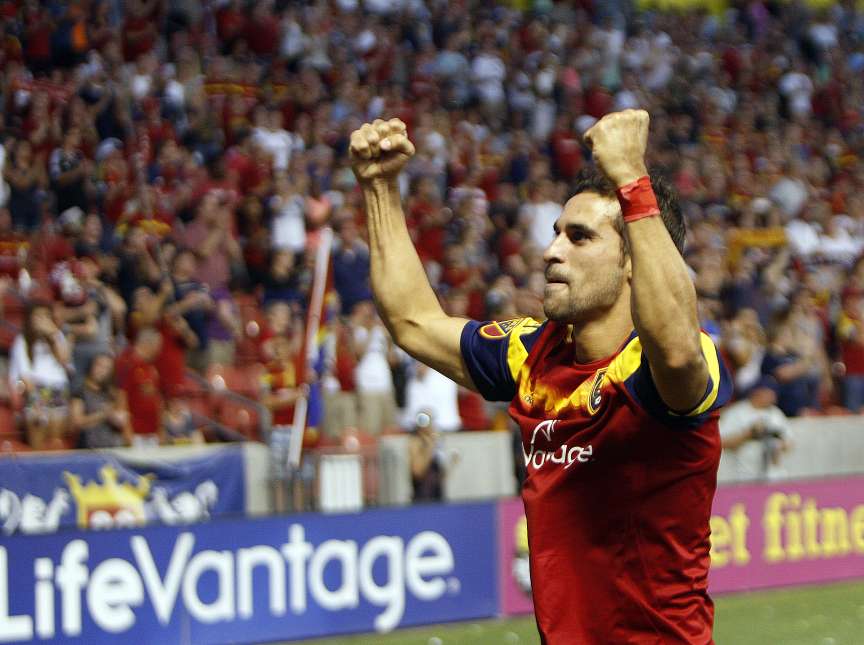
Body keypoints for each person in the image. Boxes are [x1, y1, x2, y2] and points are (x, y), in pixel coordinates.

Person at [349, 111, 732, 643]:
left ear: (632, 263)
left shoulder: (663, 367)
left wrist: (630, 177)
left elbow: (676, 347)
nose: (552, 251)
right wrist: (379, 189)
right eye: (556, 234)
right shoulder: (534, 352)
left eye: (579, 237)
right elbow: (414, 323)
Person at [8, 302, 72, 450]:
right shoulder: (22, 341)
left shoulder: (58, 336)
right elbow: (25, 377)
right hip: (35, 391)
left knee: (56, 441)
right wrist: (37, 403)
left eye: (46, 316)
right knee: (38, 434)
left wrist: (54, 335)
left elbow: (65, 362)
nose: (42, 320)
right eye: (38, 316)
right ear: (30, 319)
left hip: (58, 390)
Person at [719, 378, 790, 481]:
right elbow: (722, 442)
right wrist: (748, 434)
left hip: (773, 476)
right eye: (770, 394)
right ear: (758, 393)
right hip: (742, 476)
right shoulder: (737, 413)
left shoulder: (776, 413)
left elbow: (789, 441)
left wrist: (777, 444)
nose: (774, 398)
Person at [70, 352, 133, 448]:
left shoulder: (111, 393)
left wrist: (117, 418)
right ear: (91, 366)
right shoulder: (80, 392)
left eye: (107, 368)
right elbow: (76, 422)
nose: (102, 371)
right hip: (89, 449)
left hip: (112, 447)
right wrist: (103, 415)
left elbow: (123, 421)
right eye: (99, 365)